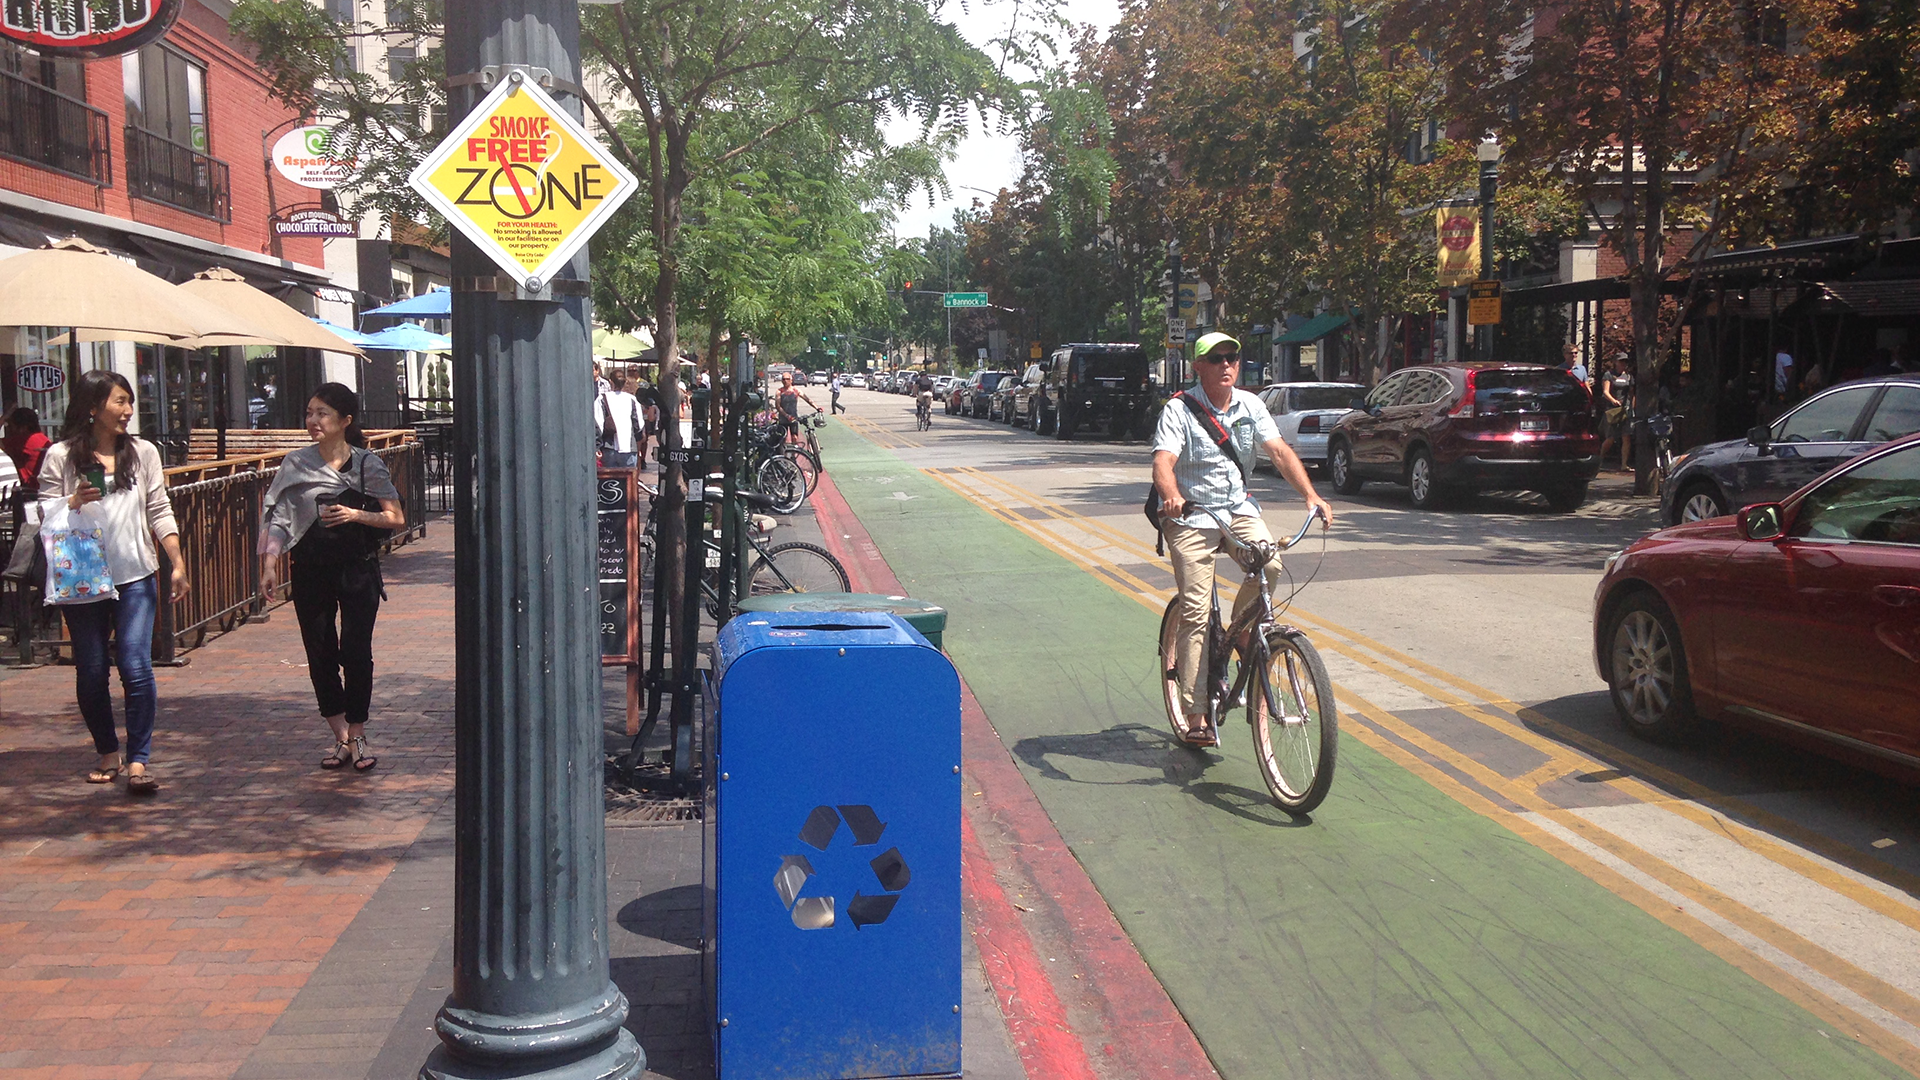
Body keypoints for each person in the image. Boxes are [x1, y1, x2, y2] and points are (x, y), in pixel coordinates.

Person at [1151, 332, 1334, 747]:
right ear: (1199, 367)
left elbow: (1280, 451)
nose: (1226, 365)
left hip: (1237, 509)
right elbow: (1163, 462)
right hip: (1192, 515)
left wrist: (1311, 496)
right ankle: (1196, 714)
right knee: (1196, 611)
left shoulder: (1251, 405)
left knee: (1270, 563)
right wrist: (1172, 496)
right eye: (1216, 359)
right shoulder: (1179, 410)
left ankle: (1240, 629)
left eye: (1232, 357)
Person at [38, 371, 189, 792]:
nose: (128, 410)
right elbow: (43, 516)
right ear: (92, 407)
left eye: (130, 401)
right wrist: (71, 502)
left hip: (136, 575)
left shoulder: (143, 452)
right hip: (82, 580)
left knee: (136, 665)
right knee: (90, 670)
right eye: (119, 402)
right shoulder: (60, 456)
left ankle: (139, 760)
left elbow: (159, 509)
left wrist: (176, 561)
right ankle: (108, 751)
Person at [259, 384, 405, 773]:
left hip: (357, 568)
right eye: (309, 413)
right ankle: (340, 735)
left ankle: (358, 732)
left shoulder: (366, 464)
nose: (312, 421)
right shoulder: (295, 464)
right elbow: (278, 516)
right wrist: (270, 562)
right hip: (309, 570)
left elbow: (396, 518)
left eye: (322, 413)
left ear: (345, 421)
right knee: (320, 652)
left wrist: (355, 515)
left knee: (356, 653)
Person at [595, 371, 645, 468]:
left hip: (609, 447)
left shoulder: (602, 399)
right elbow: (638, 426)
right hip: (629, 449)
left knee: (611, 482)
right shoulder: (632, 400)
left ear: (610, 382)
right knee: (629, 481)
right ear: (625, 382)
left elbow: (598, 425)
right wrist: (638, 445)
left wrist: (597, 447)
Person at [1598, 355, 1635, 471]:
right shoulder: (1609, 375)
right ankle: (1598, 460)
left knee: (1626, 437)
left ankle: (1624, 464)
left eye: (1625, 361)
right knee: (1611, 437)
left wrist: (1632, 406)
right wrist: (1613, 401)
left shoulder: (1629, 376)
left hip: (1626, 409)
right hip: (1613, 410)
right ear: (1615, 362)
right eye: (1621, 361)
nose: (1623, 363)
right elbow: (1605, 392)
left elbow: (1632, 393)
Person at [3, 406, 50, 492]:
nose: (8, 430)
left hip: (28, 492)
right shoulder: (43, 439)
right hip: (40, 488)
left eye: (10, 426)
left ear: (23, 427)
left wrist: (3, 418)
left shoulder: (25, 440)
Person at [775, 372, 816, 443]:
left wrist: (817, 408)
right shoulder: (779, 391)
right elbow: (778, 406)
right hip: (783, 419)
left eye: (787, 379)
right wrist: (786, 415)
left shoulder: (795, 390)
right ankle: (783, 453)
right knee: (782, 439)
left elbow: (807, 399)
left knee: (794, 437)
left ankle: (794, 452)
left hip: (793, 418)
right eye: (783, 379)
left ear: (791, 380)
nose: (785, 381)